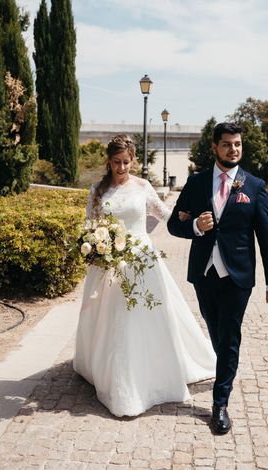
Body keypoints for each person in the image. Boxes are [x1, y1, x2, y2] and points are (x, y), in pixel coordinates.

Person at [73, 134, 216, 417]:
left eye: (126, 162)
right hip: (110, 262)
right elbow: (90, 225)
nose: (122, 167)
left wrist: (192, 221)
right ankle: (116, 376)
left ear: (133, 160)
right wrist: (96, 247)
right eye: (116, 162)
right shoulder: (98, 191)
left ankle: (154, 372)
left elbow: (166, 215)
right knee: (115, 320)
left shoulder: (143, 186)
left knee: (148, 316)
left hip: (143, 259)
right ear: (109, 161)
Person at [168, 122, 268, 435]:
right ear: (215, 148)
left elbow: (266, 236)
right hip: (204, 273)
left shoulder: (254, 186)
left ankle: (220, 403)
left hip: (237, 275)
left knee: (230, 334)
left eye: (238, 144)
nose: (234, 149)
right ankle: (226, 369)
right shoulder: (196, 183)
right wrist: (194, 226)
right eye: (228, 144)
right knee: (216, 331)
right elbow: (172, 225)